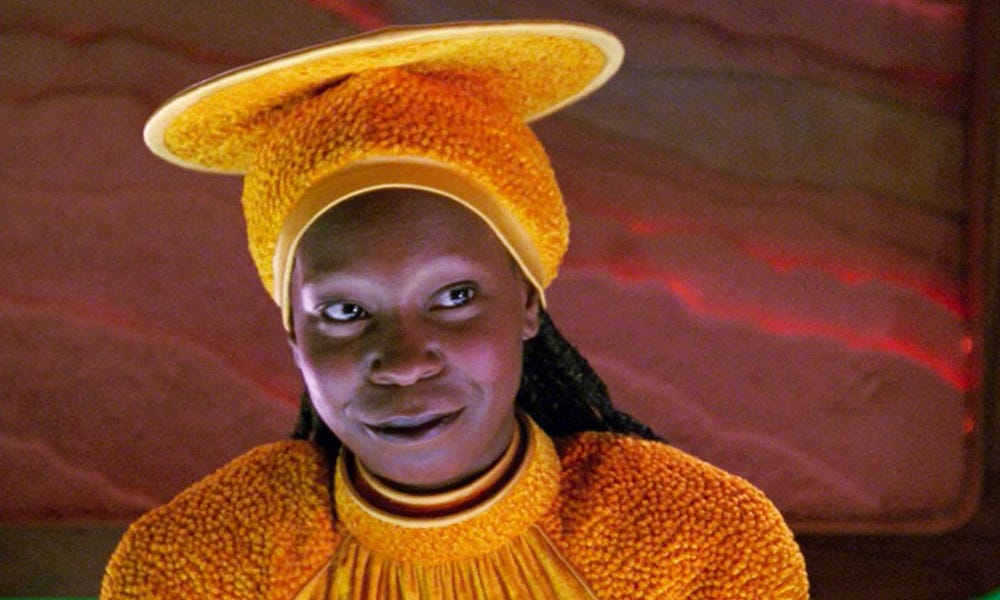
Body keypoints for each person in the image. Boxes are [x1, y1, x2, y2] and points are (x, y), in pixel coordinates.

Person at [101, 21, 809, 599]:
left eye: (455, 297)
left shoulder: (701, 543)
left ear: (527, 301)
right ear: (293, 332)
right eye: (344, 311)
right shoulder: (200, 567)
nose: (404, 362)